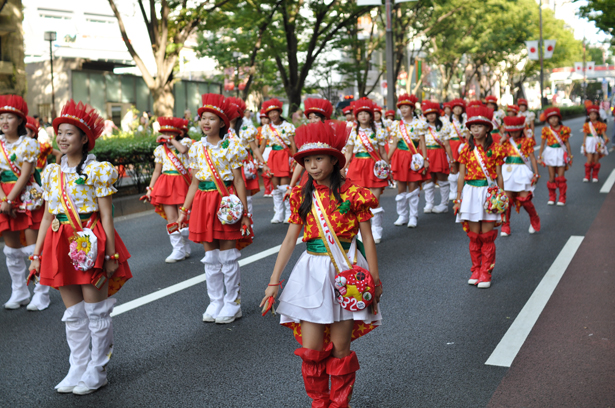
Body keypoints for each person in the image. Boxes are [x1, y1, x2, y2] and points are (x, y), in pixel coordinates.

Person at [260, 120, 382, 408]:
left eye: (319, 158)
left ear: (333, 160)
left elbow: (368, 238)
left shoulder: (354, 194)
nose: (313, 166)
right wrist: (273, 283)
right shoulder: (300, 196)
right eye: (307, 160)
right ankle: (319, 403)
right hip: (311, 272)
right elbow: (290, 241)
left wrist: (375, 281)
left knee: (341, 349)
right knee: (311, 349)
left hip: (347, 271)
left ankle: (339, 405)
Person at [29, 99, 132, 394]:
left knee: (96, 310)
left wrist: (111, 255)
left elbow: (108, 215)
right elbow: (48, 215)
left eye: (69, 133)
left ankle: (97, 370)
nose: (62, 138)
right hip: (59, 242)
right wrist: (37, 254)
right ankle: (77, 367)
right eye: (59, 131)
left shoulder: (98, 170)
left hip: (91, 241)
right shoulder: (50, 172)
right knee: (73, 314)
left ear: (85, 138)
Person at [177, 93, 251, 325]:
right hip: (203, 202)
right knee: (211, 257)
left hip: (226, 202)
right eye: (202, 118)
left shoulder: (233, 145)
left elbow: (239, 181)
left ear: (222, 123)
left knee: (228, 255)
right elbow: (195, 182)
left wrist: (245, 213)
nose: (205, 122)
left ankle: (233, 303)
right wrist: (184, 210)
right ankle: (216, 300)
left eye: (211, 118)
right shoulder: (196, 148)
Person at [0, 95, 51, 311]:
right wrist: (3, 200)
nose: (4, 121)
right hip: (4, 198)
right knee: (11, 249)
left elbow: (26, 174)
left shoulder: (28, 144)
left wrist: (10, 199)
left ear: (20, 120)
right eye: (1, 117)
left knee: (32, 248)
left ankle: (41, 293)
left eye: (10, 117)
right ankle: (19, 291)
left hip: (26, 197)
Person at [453, 105, 505, 289]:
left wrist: (501, 196)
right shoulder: (465, 150)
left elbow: (499, 175)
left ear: (488, 128)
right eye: (472, 127)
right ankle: (476, 269)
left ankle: (486, 271)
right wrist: (458, 198)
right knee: (474, 235)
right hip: (470, 192)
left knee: (487, 235)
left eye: (479, 126)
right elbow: (461, 175)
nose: (475, 130)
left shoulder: (497, 149)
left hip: (488, 193)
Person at [144, 117, 193, 263]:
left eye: (170, 133)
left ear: (179, 133)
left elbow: (183, 150)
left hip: (182, 182)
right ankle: (177, 249)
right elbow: (156, 171)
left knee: (182, 217)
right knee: (171, 219)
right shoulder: (160, 150)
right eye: (164, 133)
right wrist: (150, 189)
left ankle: (185, 245)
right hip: (165, 183)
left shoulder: (185, 143)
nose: (166, 136)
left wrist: (171, 140)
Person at [343, 98, 388, 243]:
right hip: (357, 166)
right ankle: (362, 231)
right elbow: (349, 152)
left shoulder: (379, 132)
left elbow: (383, 152)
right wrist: (343, 167)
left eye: (366, 113)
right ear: (356, 116)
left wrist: (388, 167)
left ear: (371, 115)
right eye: (360, 113)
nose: (363, 116)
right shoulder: (352, 132)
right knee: (358, 201)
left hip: (374, 166)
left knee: (374, 200)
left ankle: (377, 229)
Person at [387, 94, 428, 228]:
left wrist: (425, 159)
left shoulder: (419, 123)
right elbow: (393, 144)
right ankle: (402, 215)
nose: (404, 110)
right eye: (401, 107)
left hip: (414, 157)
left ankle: (413, 216)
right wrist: (386, 159)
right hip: (399, 157)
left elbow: (422, 142)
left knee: (413, 187)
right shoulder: (396, 125)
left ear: (412, 109)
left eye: (406, 107)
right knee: (401, 187)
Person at [226, 97, 269, 218]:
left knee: (247, 198)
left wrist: (263, 163)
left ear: (239, 113)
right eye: (229, 111)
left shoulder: (246, 129)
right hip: (227, 166)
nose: (231, 113)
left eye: (234, 111)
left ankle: (248, 226)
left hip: (244, 166)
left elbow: (254, 148)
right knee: (230, 197)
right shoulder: (221, 130)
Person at [500, 116, 541, 236]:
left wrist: (536, 173)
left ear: (521, 130)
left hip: (522, 172)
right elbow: (497, 157)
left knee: (525, 200)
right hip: (507, 172)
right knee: (506, 200)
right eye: (511, 131)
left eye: (516, 131)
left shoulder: (527, 141)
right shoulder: (505, 141)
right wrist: (500, 143)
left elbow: (532, 157)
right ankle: (505, 225)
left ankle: (534, 217)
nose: (513, 133)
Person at [259, 99, 297, 224]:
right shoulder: (266, 128)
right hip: (274, 156)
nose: (273, 115)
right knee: (275, 186)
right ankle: (278, 213)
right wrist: (258, 159)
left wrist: (295, 158)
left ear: (279, 112)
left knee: (285, 185)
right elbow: (263, 145)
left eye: (275, 112)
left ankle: (288, 212)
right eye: (270, 113)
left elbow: (292, 143)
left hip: (285, 156)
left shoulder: (287, 126)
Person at [288, 98, 334, 190]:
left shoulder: (332, 135)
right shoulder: (305, 135)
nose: (312, 121)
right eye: (310, 118)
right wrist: (291, 186)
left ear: (324, 119)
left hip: (330, 177)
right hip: (311, 176)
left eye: (316, 117)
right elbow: (300, 164)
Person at [422, 100, 454, 214]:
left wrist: (451, 159)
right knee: (428, 179)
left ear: (437, 114)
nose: (431, 116)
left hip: (439, 153)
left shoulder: (443, 127)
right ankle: (429, 203)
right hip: (427, 154)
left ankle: (444, 204)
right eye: (428, 114)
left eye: (433, 113)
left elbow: (447, 145)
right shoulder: (422, 127)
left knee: (442, 179)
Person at [537, 107, 573, 205]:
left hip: (561, 153)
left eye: (555, 117)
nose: (553, 120)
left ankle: (562, 197)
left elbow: (567, 143)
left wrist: (570, 155)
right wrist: (540, 156)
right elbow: (542, 144)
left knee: (561, 177)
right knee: (551, 177)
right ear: (548, 120)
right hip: (550, 153)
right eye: (551, 118)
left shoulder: (564, 129)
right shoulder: (546, 130)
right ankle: (552, 196)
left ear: (559, 118)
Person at [447, 98, 469, 202]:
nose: (457, 110)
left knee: (463, 166)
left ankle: (462, 189)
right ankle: (453, 190)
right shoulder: (447, 120)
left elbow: (468, 133)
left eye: (459, 108)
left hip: (462, 144)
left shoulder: (465, 120)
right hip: (452, 144)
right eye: (455, 108)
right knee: (453, 165)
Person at [582, 104, 609, 183]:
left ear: (597, 115)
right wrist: (584, 145)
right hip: (589, 142)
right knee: (589, 160)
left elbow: (603, 134)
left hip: (598, 142)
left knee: (596, 160)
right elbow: (585, 136)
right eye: (591, 114)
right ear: (589, 116)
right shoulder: (587, 125)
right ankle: (587, 175)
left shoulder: (601, 125)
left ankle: (595, 175)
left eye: (594, 114)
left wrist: (606, 139)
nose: (592, 116)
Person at [257, 109, 274, 197]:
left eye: (266, 118)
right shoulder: (258, 129)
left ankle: (273, 189)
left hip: (272, 149)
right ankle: (267, 189)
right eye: (262, 118)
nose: (264, 120)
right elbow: (257, 143)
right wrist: (256, 154)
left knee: (273, 170)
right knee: (265, 171)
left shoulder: (273, 128)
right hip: (263, 151)